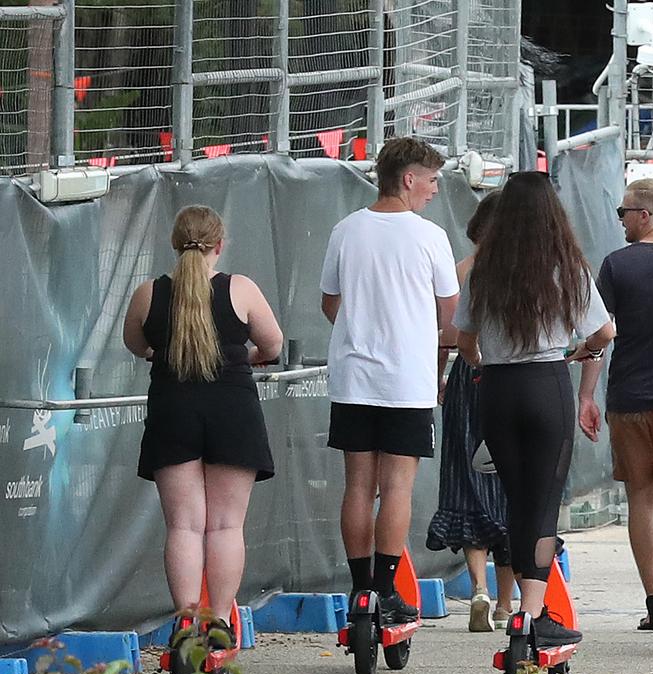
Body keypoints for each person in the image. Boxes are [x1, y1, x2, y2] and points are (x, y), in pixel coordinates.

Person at [455, 171, 616, 648]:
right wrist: (578, 350)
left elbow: (465, 340)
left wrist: (485, 361)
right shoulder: (566, 267)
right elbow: (605, 333)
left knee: (516, 498)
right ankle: (531, 613)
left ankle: (522, 612)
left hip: (499, 389)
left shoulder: (485, 270)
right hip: (546, 383)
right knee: (544, 502)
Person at [124, 205, 283, 647]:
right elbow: (272, 344)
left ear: (175, 244)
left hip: (172, 408)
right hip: (233, 406)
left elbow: (137, 344)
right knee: (226, 527)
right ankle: (219, 626)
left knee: (184, 526)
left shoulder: (149, 293)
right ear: (220, 244)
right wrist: (239, 357)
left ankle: (186, 624)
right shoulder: (241, 289)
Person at [321, 137, 459, 624]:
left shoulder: (345, 230)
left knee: (358, 485)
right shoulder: (429, 237)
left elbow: (330, 303)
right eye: (432, 180)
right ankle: (386, 588)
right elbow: (448, 309)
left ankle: (360, 591)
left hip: (354, 376)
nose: (435, 190)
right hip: (407, 379)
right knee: (397, 486)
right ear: (408, 179)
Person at [578, 178, 653, 633]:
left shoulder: (617, 265)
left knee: (641, 500)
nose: (621, 220)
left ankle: (652, 594)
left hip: (627, 400)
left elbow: (600, 335)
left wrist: (586, 394)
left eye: (624, 213)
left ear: (644, 215)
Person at [426, 191, 516, 632]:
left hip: (469, 377)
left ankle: (477, 587)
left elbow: (449, 333)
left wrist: (441, 376)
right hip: (514, 376)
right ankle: (505, 602)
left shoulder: (463, 270)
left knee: (467, 478)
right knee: (513, 485)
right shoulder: (525, 270)